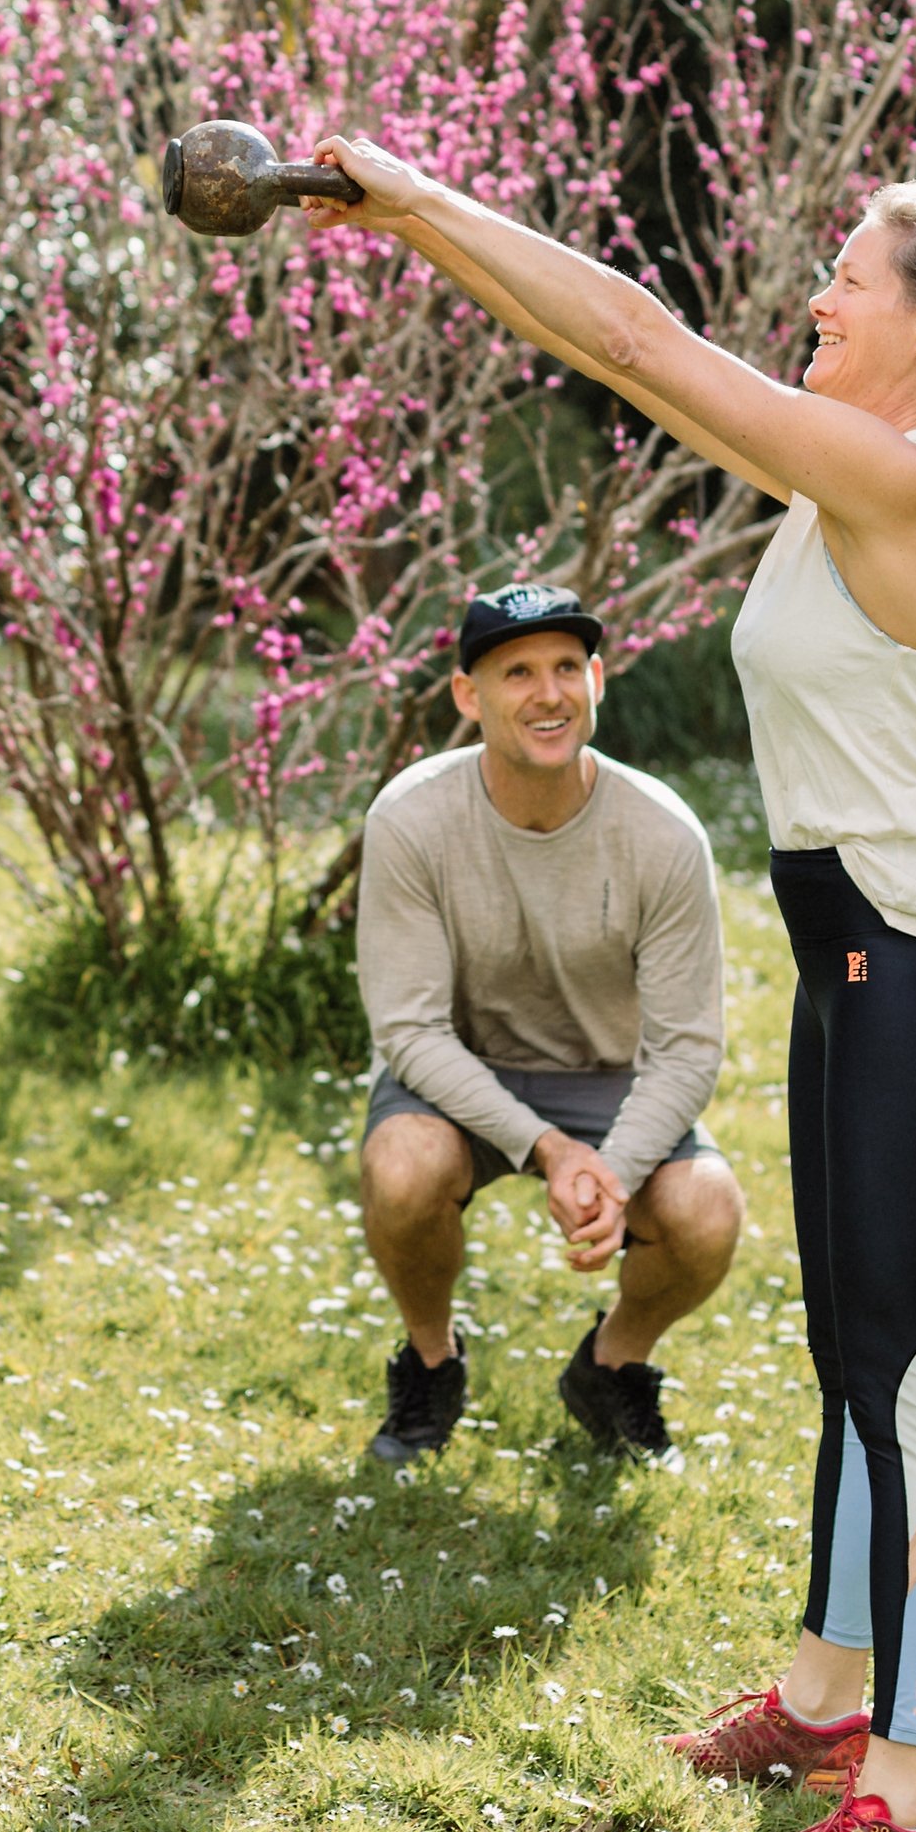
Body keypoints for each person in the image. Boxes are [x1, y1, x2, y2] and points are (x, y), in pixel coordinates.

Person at [306, 156, 916, 1832]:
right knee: (851, 1357)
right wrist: (415, 230)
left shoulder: (905, 477)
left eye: (850, 276)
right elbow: (630, 361)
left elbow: (640, 333)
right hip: (859, 952)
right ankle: (826, 1699)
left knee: (894, 1374)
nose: (821, 294)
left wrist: (407, 193)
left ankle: (908, 1807)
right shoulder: (858, 472)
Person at [355, 578, 740, 1472]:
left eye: (568, 667)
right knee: (403, 1169)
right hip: (456, 1072)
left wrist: (615, 1164)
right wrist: (548, 1150)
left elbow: (687, 1049)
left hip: (610, 1081)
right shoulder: (411, 819)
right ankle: (430, 1362)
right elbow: (408, 1032)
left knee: (706, 1211)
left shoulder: (664, 835)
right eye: (518, 672)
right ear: (469, 695)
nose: (549, 694)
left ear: (597, 680)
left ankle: (613, 1367)